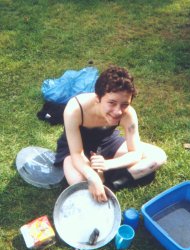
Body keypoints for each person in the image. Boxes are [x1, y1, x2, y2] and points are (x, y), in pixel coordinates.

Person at [54, 66, 167, 202]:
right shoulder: (75, 109)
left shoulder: (128, 114)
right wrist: (92, 176)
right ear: (98, 98)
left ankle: (111, 185)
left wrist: (107, 165)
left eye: (125, 104)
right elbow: (77, 153)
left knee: (158, 156)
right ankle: (106, 179)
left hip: (107, 142)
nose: (118, 111)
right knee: (79, 182)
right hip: (75, 149)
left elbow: (135, 153)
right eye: (112, 103)